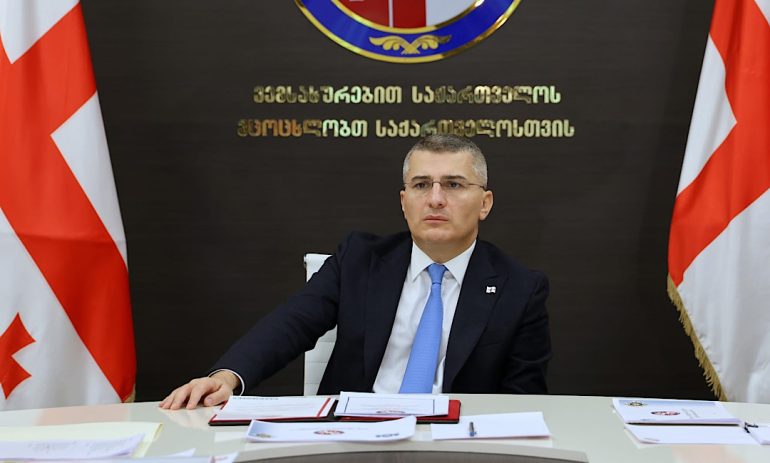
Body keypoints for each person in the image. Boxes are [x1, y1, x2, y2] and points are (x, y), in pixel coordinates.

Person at [160, 134, 551, 410]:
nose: (435, 199)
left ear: (484, 203)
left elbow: (522, 402)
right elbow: (291, 324)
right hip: (352, 439)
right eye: (421, 185)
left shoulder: (520, 289)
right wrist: (227, 377)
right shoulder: (359, 260)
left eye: (453, 184)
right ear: (404, 201)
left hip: (458, 448)